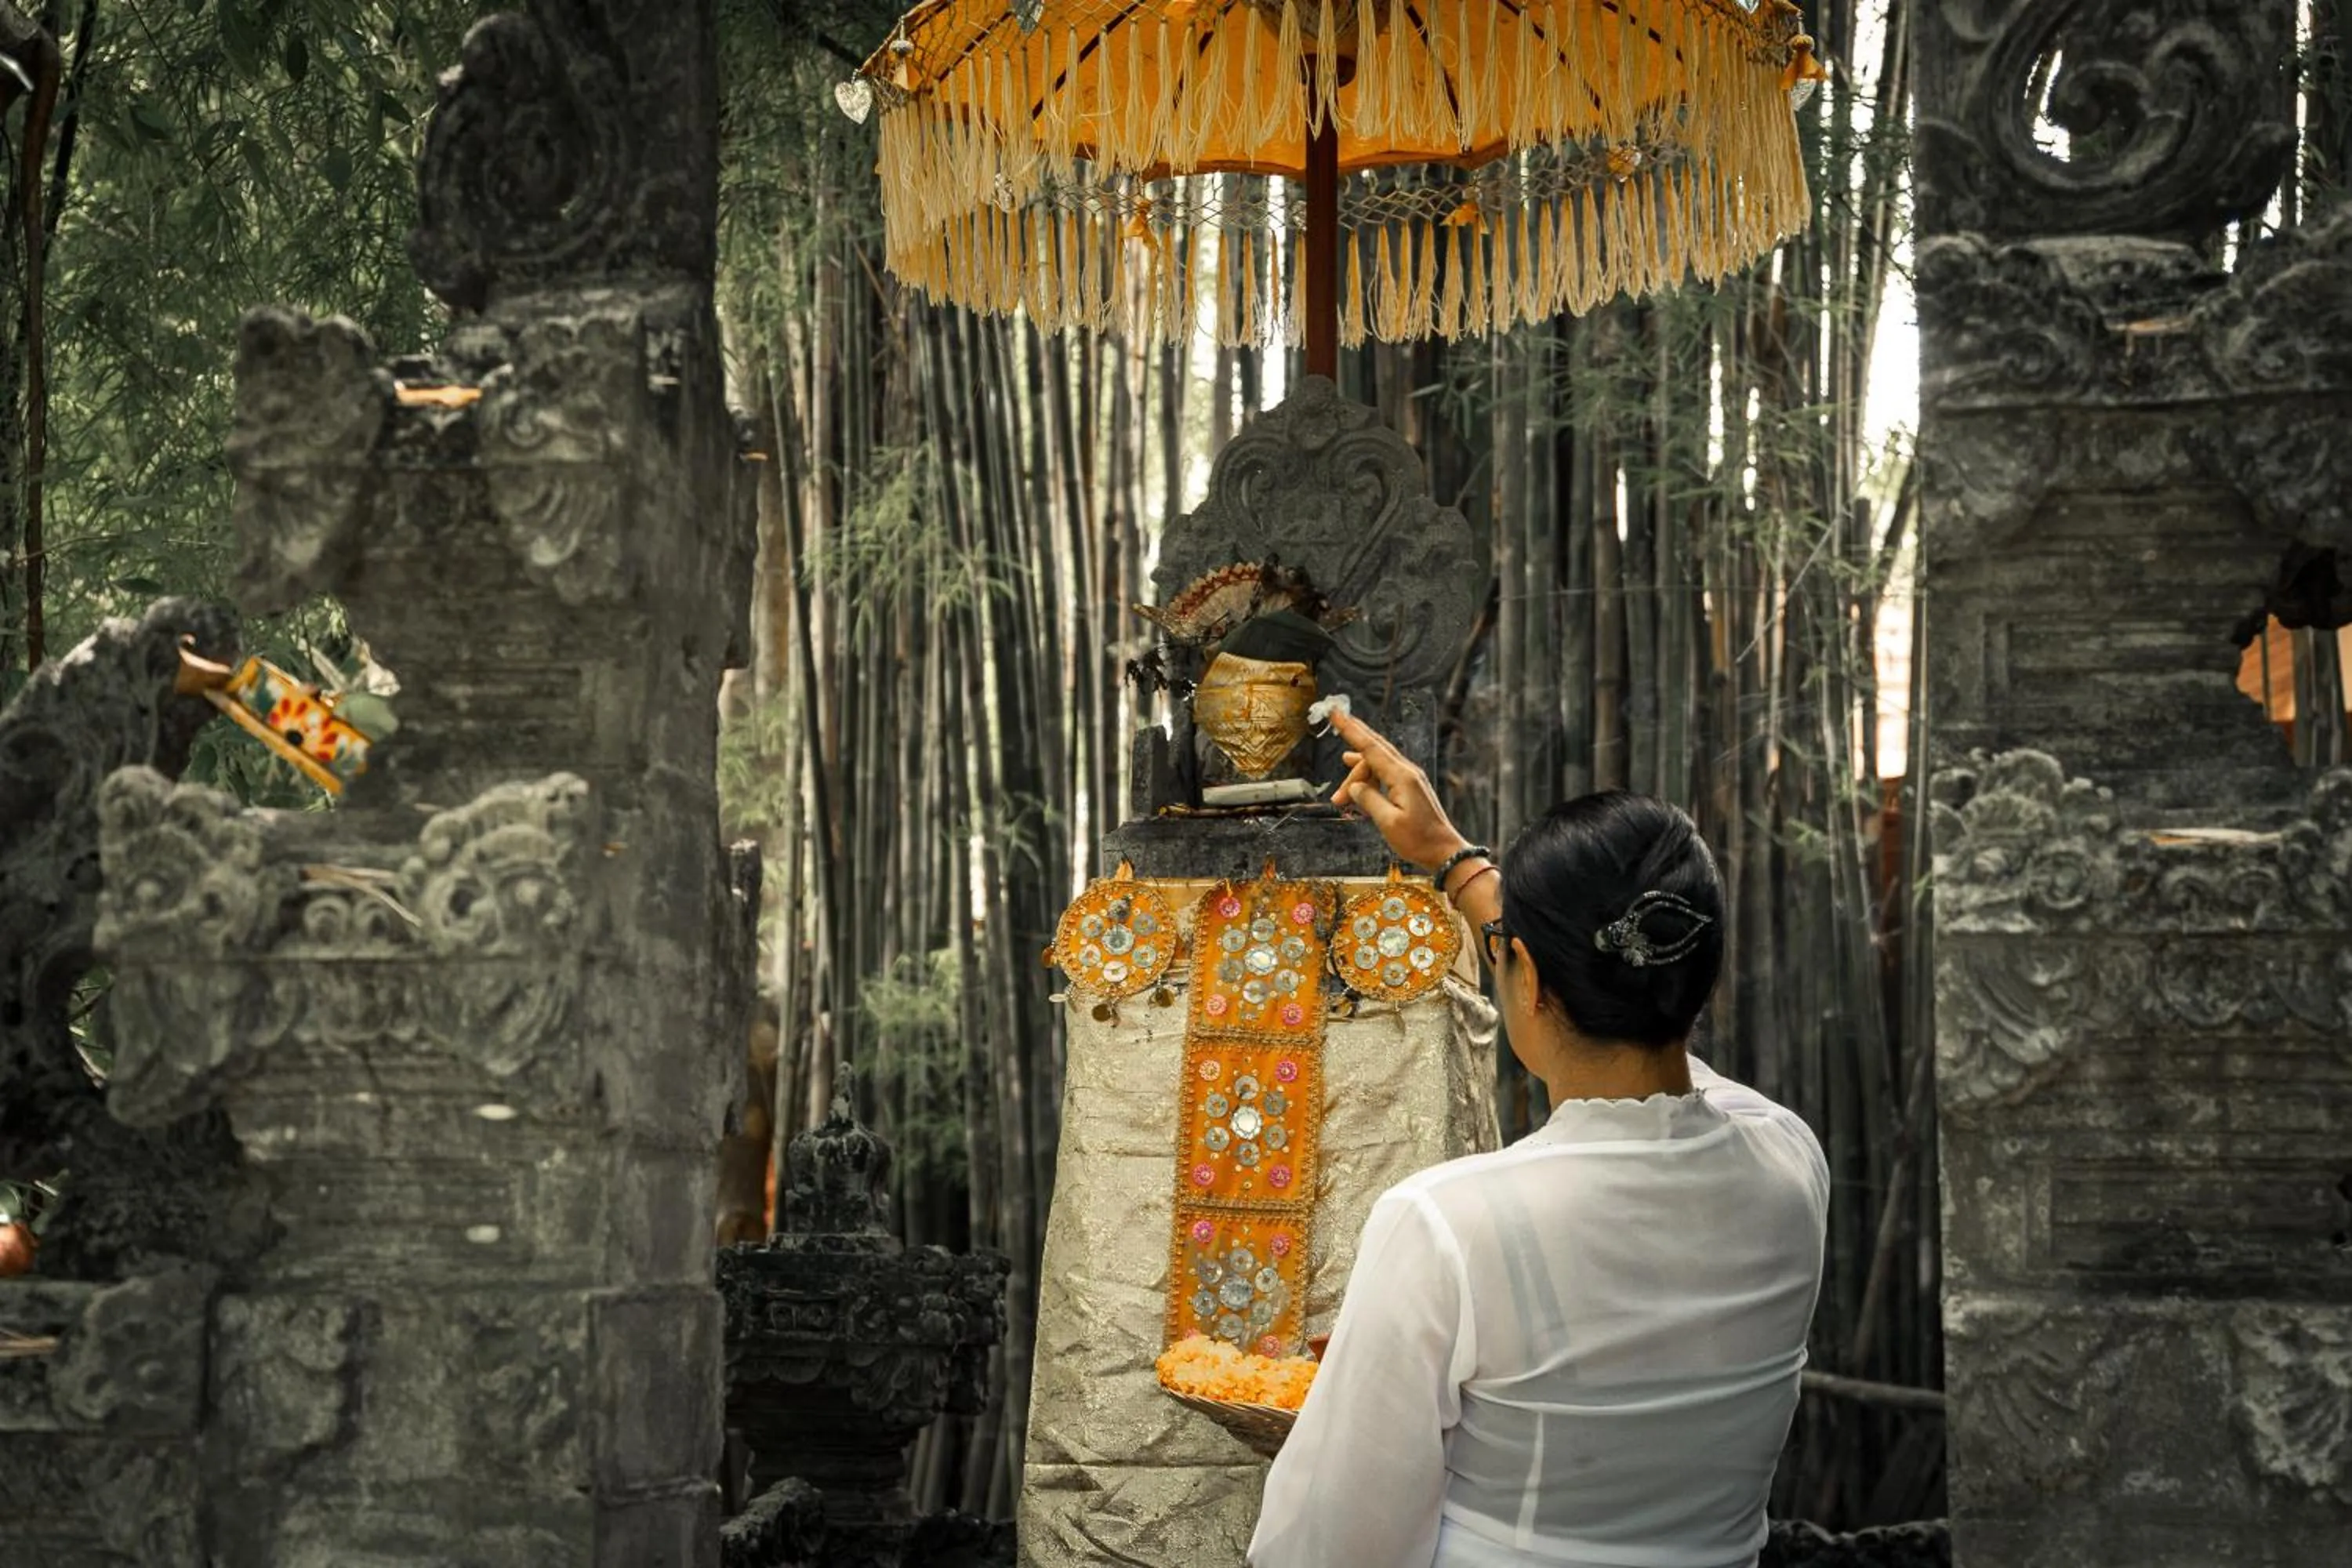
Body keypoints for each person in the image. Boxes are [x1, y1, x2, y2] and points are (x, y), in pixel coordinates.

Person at [1248, 710, 1830, 1568]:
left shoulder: (1446, 1224)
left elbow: (1331, 1547)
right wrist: (1454, 857)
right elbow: (1640, 1017)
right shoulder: (1788, 1161)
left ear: (1525, 973)